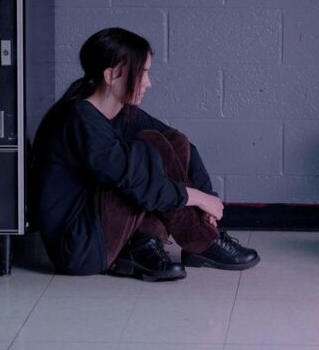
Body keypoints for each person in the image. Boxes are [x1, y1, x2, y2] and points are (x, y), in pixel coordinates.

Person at [31, 27, 260, 280]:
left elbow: (183, 146)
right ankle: (202, 242)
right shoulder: (78, 118)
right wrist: (196, 198)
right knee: (148, 151)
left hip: (101, 228)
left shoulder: (121, 112)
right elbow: (137, 180)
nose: (148, 83)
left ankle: (146, 244)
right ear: (111, 75)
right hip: (80, 247)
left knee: (173, 141)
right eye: (142, 74)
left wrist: (208, 200)